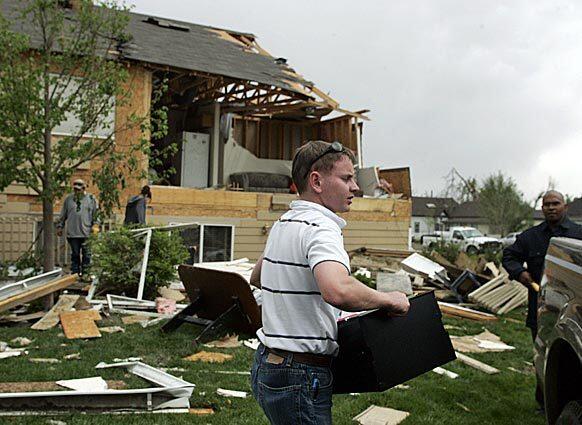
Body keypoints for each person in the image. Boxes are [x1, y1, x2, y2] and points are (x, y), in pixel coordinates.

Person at [249, 140, 410, 425]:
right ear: (317, 181)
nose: (356, 187)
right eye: (347, 178)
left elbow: (259, 276)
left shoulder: (286, 222)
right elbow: (336, 289)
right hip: (300, 373)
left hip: (268, 365)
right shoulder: (322, 227)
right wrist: (389, 299)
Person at [502, 190, 582, 411]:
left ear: (565, 207)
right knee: (543, 355)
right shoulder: (531, 236)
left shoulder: (578, 234)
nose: (551, 207)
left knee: (573, 359)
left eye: (555, 203)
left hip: (575, 308)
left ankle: (572, 402)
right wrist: (520, 273)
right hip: (542, 309)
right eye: (546, 204)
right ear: (542, 208)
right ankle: (545, 403)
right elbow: (509, 256)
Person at [56, 179, 99, 276]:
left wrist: (95, 226)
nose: (76, 191)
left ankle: (86, 274)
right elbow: (63, 214)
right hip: (73, 232)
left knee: (87, 255)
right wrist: (60, 226)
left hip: (86, 232)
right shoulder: (69, 199)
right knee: (75, 255)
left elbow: (96, 215)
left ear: (84, 188)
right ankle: (75, 274)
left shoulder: (91, 199)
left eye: (78, 189)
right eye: (75, 189)